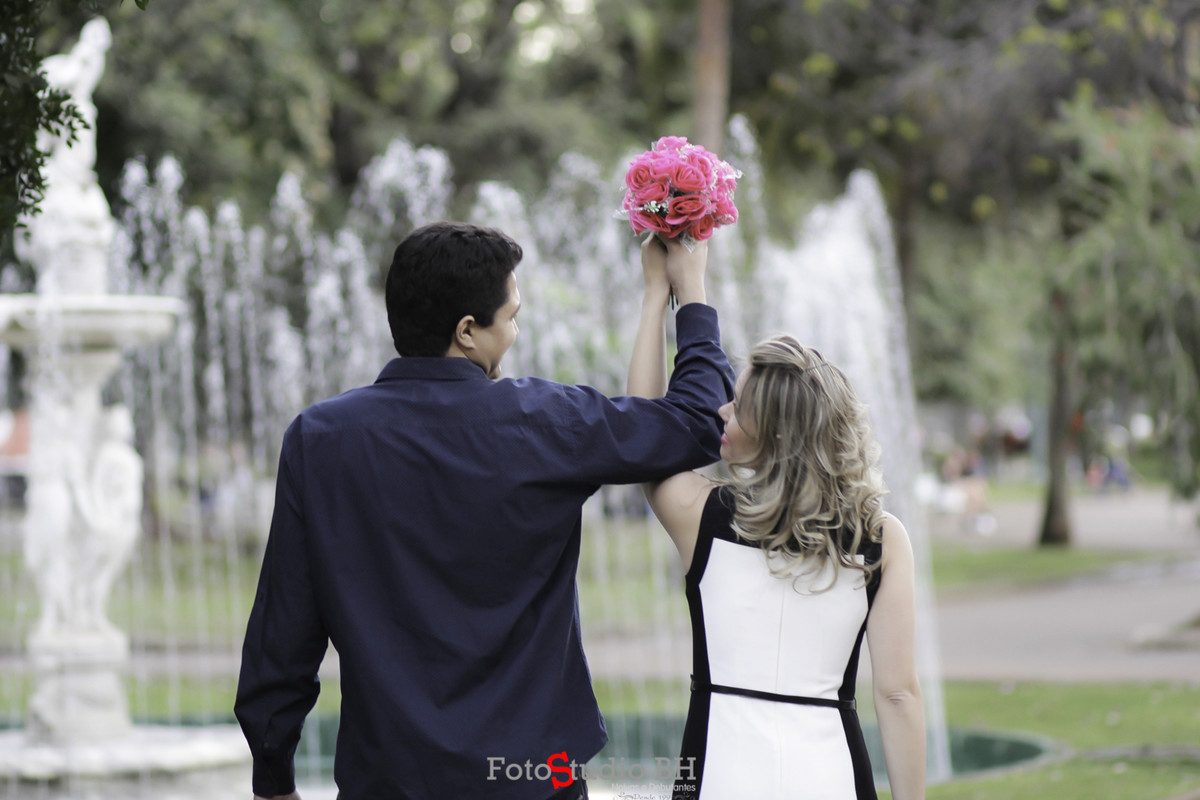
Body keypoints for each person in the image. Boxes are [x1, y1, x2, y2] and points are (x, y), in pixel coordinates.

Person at [235, 221, 734, 800]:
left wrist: (274, 780)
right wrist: (687, 291)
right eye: (512, 316)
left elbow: (283, 630)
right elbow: (698, 422)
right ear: (468, 331)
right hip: (534, 780)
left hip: (387, 780)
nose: (516, 331)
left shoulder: (319, 440)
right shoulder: (545, 423)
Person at [626, 256, 926, 799]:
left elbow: (644, 432)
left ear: (778, 436)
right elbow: (898, 695)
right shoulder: (881, 540)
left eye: (739, 408)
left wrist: (659, 294)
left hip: (719, 773)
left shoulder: (701, 515)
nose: (721, 412)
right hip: (831, 777)